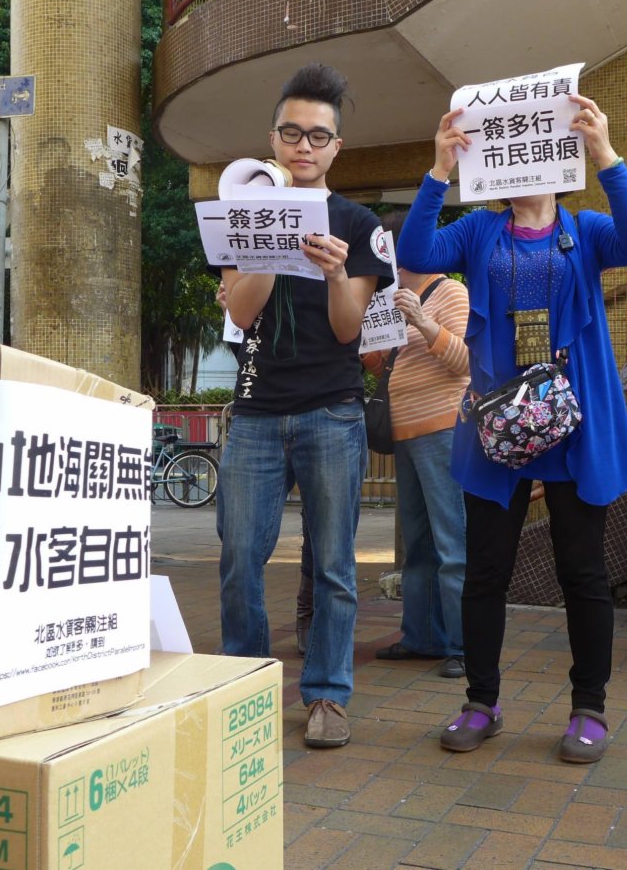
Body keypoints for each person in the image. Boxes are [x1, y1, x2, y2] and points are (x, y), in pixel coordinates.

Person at [397, 91, 627, 764]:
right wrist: (439, 170)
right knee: (485, 571)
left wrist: (605, 154)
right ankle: (481, 701)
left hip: (574, 425)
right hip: (496, 427)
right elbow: (416, 250)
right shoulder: (478, 231)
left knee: (583, 572)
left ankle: (589, 708)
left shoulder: (587, 229)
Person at [216, 63, 393, 749]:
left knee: (334, 566)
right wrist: (266, 244)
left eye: (318, 136)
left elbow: (350, 331)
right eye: (292, 133)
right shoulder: (240, 212)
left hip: (332, 411)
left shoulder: (359, 223)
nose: (303, 146)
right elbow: (241, 311)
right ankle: (244, 686)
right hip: (256, 411)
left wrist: (336, 271)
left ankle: (327, 695)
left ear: (336, 147)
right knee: (240, 557)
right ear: (273, 138)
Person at [363, 211, 471, 680]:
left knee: (452, 542)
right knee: (418, 544)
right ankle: (422, 636)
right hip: (405, 433)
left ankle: (465, 645)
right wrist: (368, 347)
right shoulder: (385, 298)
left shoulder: (451, 292)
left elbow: (466, 362)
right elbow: (384, 368)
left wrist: (423, 321)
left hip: (444, 429)